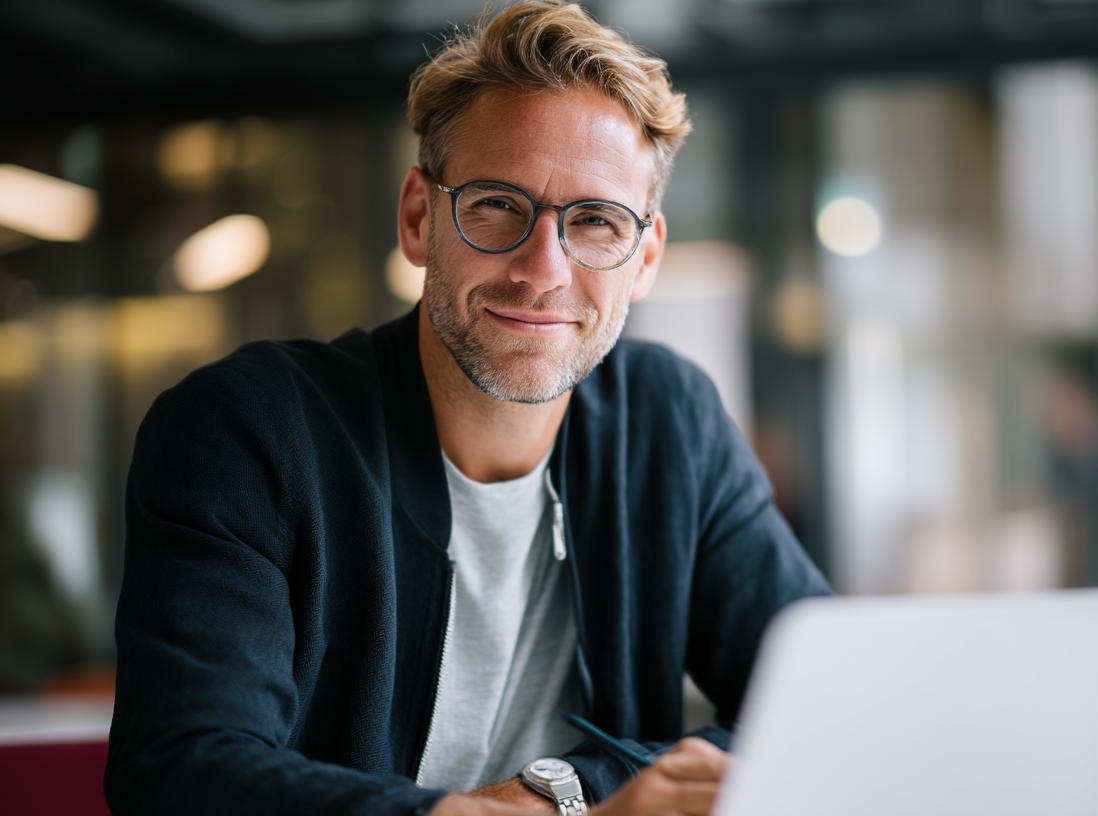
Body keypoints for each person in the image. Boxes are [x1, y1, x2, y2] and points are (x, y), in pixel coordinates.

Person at [102, 3, 831, 815]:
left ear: (646, 256)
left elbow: (831, 705)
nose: (542, 270)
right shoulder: (248, 433)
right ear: (419, 218)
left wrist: (565, 794)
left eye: (595, 221)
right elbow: (182, 774)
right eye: (494, 205)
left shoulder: (670, 422)